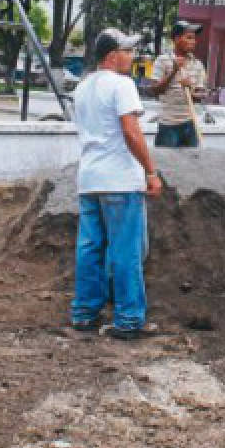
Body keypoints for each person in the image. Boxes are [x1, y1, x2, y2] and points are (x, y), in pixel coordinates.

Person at [70, 28, 163, 340]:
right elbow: (131, 131)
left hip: (89, 179)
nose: (132, 56)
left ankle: (84, 312)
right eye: (127, 51)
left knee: (90, 248)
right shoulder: (122, 85)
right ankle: (128, 319)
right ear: (112, 56)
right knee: (126, 250)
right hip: (120, 180)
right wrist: (150, 170)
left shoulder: (82, 88)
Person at [149, 20, 207, 147]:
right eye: (189, 38)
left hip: (190, 125)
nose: (194, 42)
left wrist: (191, 89)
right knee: (167, 165)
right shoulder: (162, 60)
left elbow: (199, 96)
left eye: (194, 38)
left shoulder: (198, 64)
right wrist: (174, 71)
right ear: (176, 39)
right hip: (168, 125)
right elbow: (154, 91)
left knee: (191, 165)